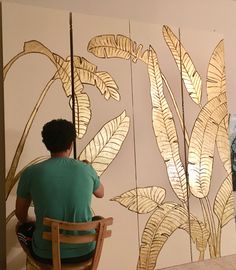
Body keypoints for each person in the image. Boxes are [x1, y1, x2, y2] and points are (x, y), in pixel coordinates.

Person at [15, 119, 104, 264]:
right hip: (85, 252)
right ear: (71, 143)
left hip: (46, 256)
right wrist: (89, 171)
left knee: (20, 227)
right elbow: (101, 193)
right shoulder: (86, 169)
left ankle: (44, 266)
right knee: (96, 219)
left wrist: (31, 220)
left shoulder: (30, 173)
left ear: (46, 143)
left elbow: (20, 215)